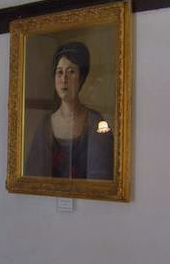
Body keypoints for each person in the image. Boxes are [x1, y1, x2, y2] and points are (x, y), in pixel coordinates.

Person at [25, 41, 114, 179]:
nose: (64, 79)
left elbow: (101, 178)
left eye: (71, 72)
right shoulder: (45, 124)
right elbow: (33, 176)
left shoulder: (95, 122)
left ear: (81, 78)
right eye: (59, 72)